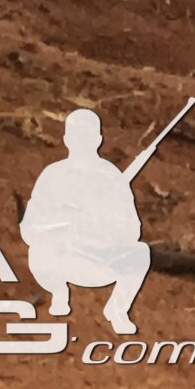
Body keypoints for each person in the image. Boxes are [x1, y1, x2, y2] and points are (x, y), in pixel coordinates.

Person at [21, 108, 154, 335]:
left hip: (98, 259)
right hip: (60, 257)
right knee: (38, 253)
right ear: (67, 139)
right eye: (77, 136)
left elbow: (132, 229)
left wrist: (103, 227)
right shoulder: (53, 175)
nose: (82, 142)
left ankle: (117, 310)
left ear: (98, 140)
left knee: (140, 253)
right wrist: (61, 227)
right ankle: (59, 292)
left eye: (87, 136)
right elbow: (30, 227)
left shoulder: (111, 177)